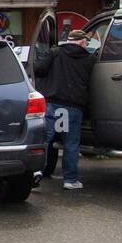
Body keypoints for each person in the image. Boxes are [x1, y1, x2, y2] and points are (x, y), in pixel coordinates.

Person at [33, 28, 96, 190]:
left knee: (45, 140)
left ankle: (36, 172)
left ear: (68, 40)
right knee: (71, 144)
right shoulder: (89, 59)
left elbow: (39, 70)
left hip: (52, 104)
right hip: (73, 106)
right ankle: (70, 179)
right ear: (82, 42)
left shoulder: (55, 53)